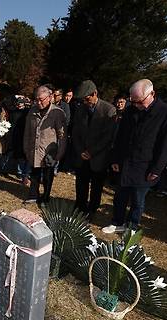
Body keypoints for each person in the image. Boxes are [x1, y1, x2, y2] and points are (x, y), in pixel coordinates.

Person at [101, 79, 167, 234]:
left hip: (146, 164)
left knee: (138, 199)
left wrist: (157, 169)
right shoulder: (130, 110)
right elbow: (120, 136)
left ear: (152, 94)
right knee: (120, 195)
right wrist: (115, 158)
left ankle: (132, 226)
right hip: (126, 161)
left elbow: (166, 144)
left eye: (139, 102)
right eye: (133, 102)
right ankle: (117, 221)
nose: (136, 105)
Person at [70, 80, 117, 220]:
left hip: (98, 157)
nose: (85, 101)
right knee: (81, 184)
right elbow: (75, 132)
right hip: (82, 155)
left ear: (95, 93)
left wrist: (91, 152)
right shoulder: (80, 110)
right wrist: (80, 151)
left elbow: (107, 137)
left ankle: (92, 208)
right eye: (83, 99)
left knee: (96, 186)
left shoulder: (109, 110)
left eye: (87, 98)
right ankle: (79, 207)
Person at [23, 85, 67, 204]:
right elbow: (27, 131)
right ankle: (33, 194)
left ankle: (46, 197)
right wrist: (26, 148)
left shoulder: (57, 113)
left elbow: (62, 136)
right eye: (36, 99)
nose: (38, 102)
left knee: (47, 176)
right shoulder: (32, 111)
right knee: (34, 173)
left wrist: (59, 154)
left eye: (41, 99)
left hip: (49, 150)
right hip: (34, 148)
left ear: (50, 97)